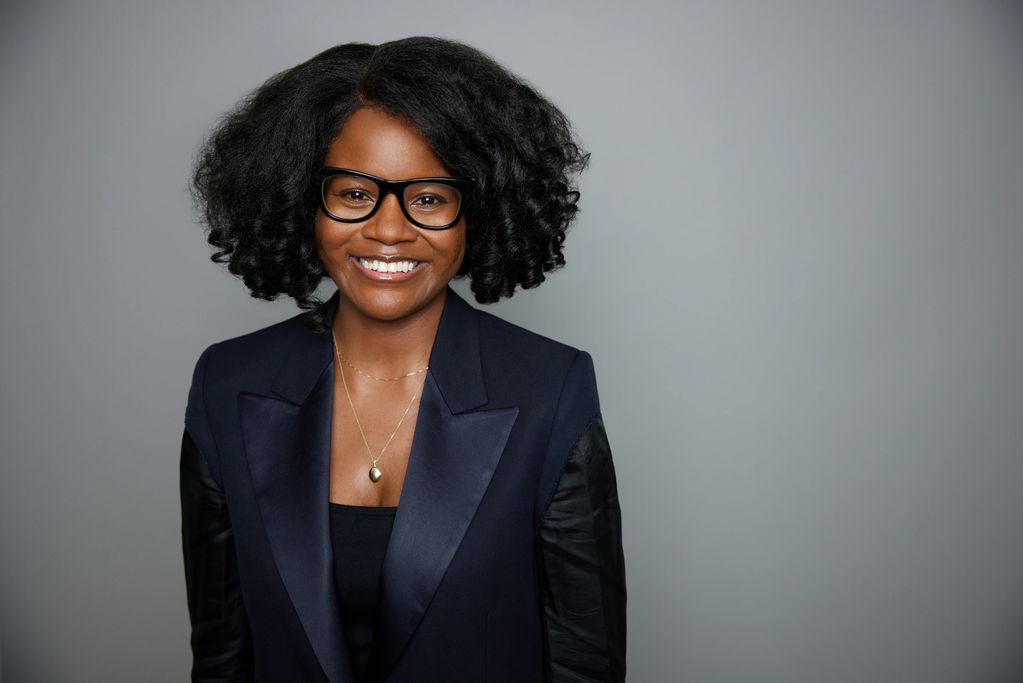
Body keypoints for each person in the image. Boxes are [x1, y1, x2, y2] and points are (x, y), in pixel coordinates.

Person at [180, 36, 626, 683]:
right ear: (304, 199)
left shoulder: (549, 388)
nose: (389, 230)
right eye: (355, 192)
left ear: (477, 212)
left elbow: (586, 662)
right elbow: (219, 655)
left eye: (428, 198)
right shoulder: (226, 383)